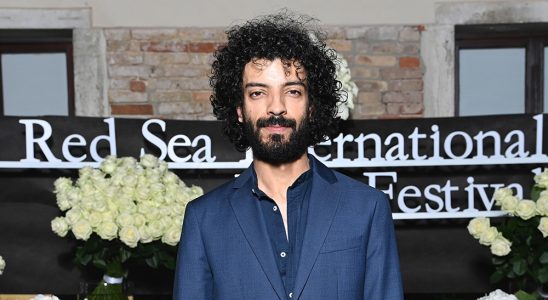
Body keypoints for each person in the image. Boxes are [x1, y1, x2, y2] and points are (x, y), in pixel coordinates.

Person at [173, 11, 403, 300]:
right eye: (258, 93)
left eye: (292, 91)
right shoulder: (204, 219)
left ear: (312, 106)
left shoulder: (367, 208)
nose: (276, 107)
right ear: (240, 110)